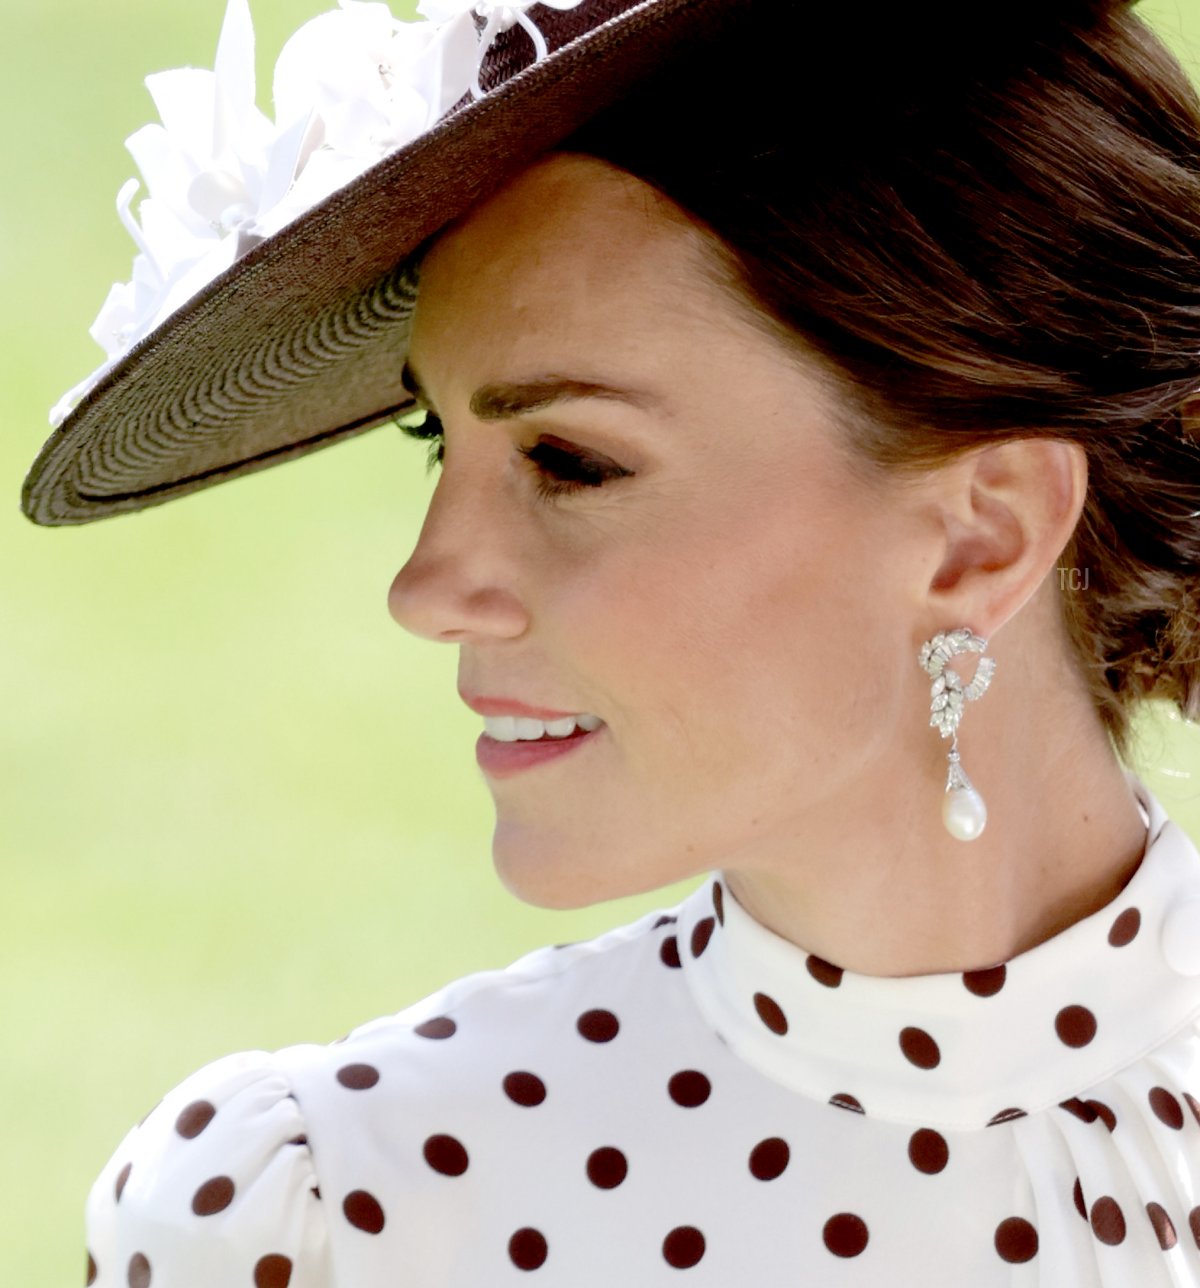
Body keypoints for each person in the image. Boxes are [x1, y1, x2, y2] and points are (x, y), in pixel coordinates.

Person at [23, 0, 1200, 1282]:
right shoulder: (332, 1219)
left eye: (569, 460)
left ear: (983, 535)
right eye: (438, 443)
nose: (425, 587)